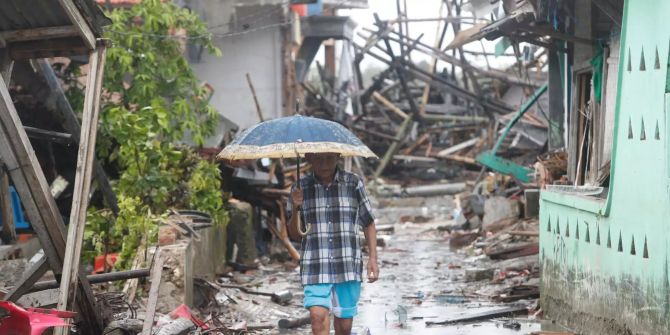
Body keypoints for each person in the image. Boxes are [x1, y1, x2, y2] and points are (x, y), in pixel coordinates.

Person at [287, 152, 378, 335]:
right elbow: (295, 236)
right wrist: (296, 207)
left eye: (329, 158)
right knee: (317, 317)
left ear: (338, 156)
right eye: (319, 158)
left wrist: (373, 259)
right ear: (309, 159)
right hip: (315, 265)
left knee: (344, 326)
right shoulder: (300, 188)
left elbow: (368, 222)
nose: (324, 163)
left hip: (347, 264)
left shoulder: (353, 183)